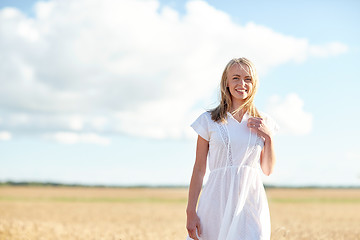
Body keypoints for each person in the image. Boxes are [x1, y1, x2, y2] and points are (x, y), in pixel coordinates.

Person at [186, 57, 279, 240]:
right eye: (235, 77)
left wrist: (268, 136)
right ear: (226, 83)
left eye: (248, 79)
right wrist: (190, 211)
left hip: (251, 202)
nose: (242, 83)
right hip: (215, 201)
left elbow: (267, 170)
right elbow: (198, 169)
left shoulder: (264, 121)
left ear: (254, 84)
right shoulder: (208, 120)